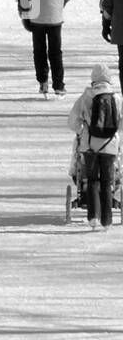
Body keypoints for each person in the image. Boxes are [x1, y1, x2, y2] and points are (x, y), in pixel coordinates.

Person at [68, 66, 121, 230]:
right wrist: (114, 133)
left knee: (91, 180)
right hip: (109, 146)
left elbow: (73, 120)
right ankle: (107, 221)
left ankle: (93, 218)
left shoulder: (86, 96)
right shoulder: (117, 98)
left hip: (89, 145)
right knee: (106, 182)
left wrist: (81, 131)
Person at [18, 0, 70, 96]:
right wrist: (57, 8)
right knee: (56, 51)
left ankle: (43, 82)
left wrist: (25, 15)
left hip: (36, 17)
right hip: (55, 17)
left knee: (39, 50)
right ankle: (59, 85)